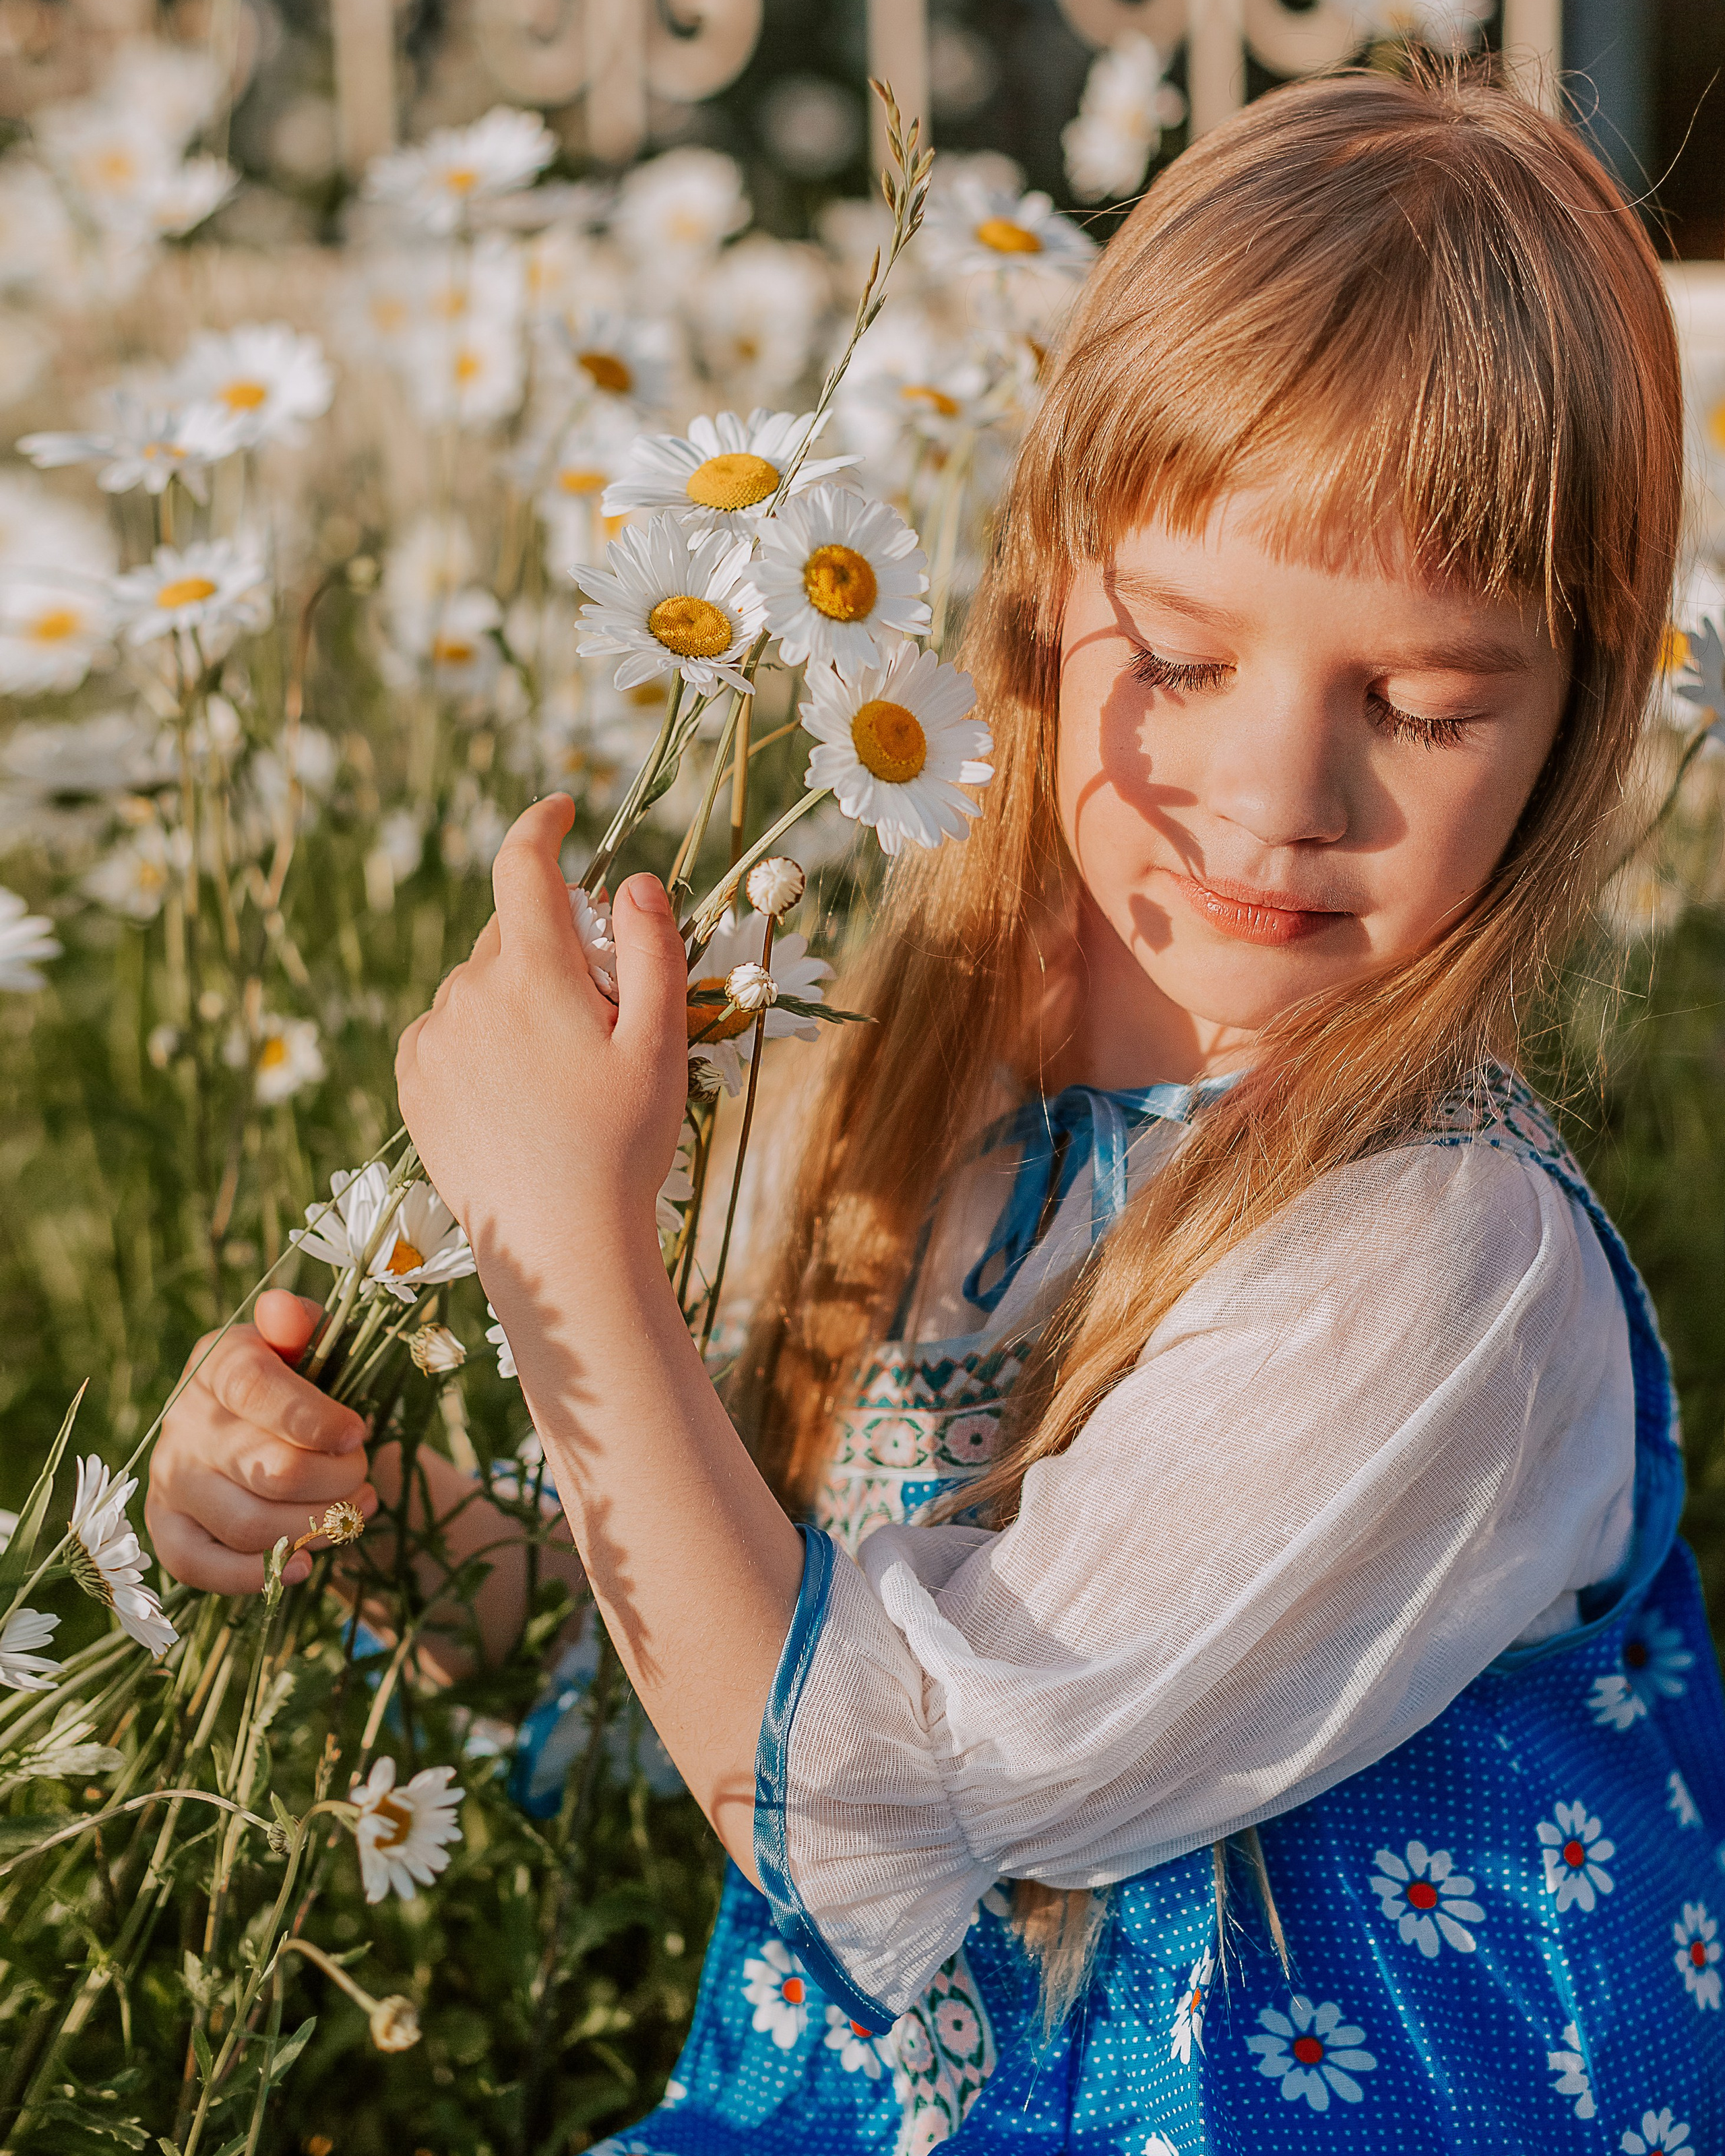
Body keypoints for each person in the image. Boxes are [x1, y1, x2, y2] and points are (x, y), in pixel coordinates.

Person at [146, 65, 1725, 2153]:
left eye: (1419, 704)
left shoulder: (1435, 1268)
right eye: (1174, 655)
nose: (1269, 797)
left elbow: (856, 1796)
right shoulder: (933, 1105)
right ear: (1040, 596)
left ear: (1575, 717)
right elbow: (716, 1665)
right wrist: (368, 1525)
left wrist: (560, 1263)